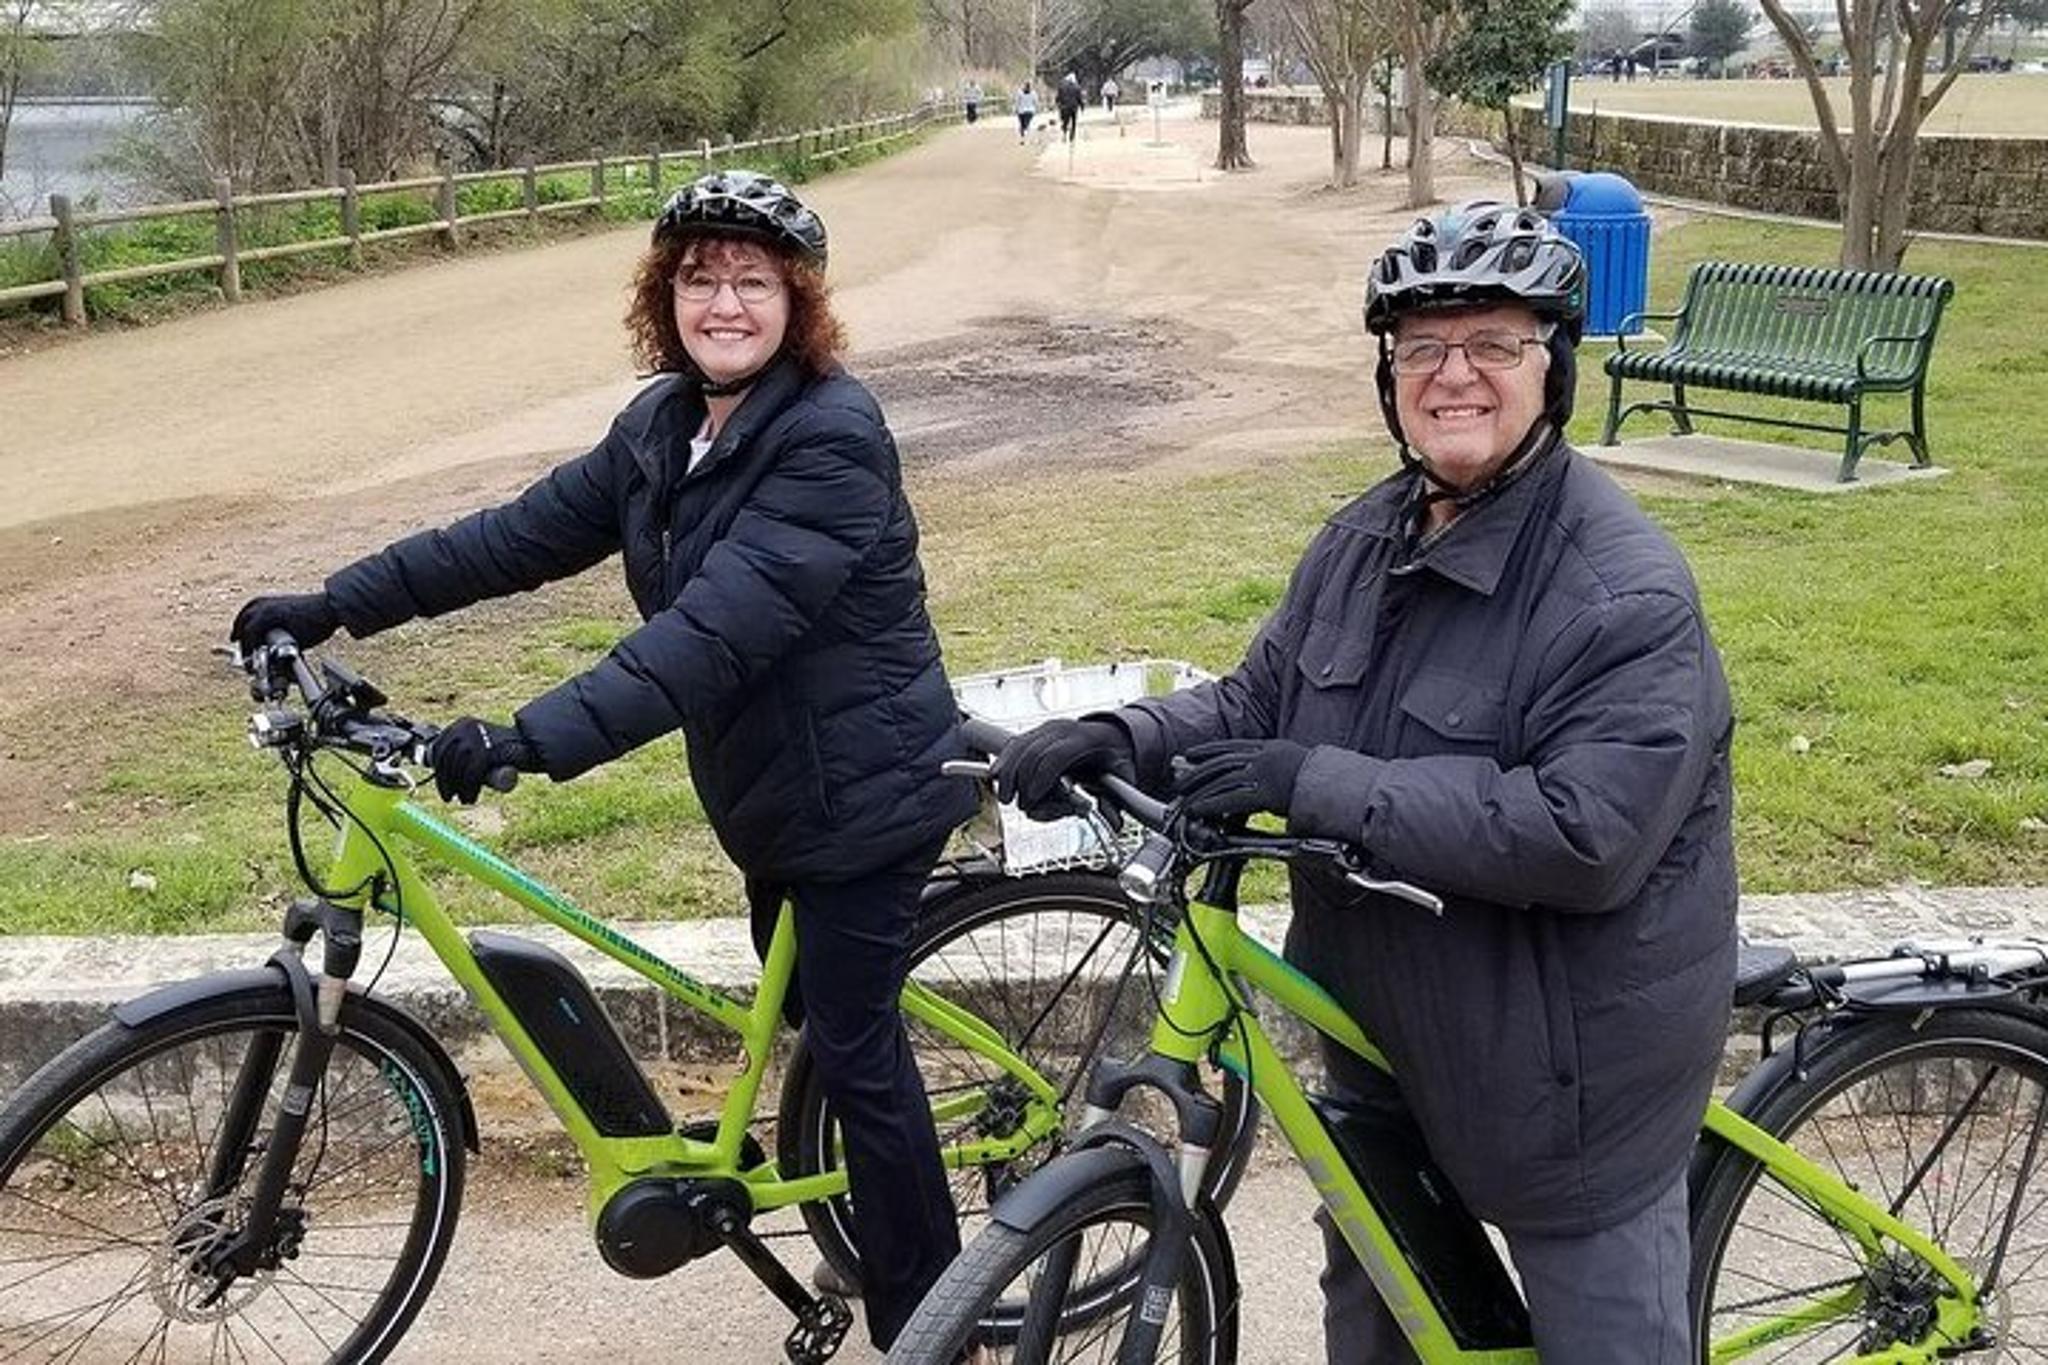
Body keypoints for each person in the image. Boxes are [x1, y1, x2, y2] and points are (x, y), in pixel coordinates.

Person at [226, 169, 979, 1354]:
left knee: (856, 1054)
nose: (721, 304)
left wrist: (529, 741)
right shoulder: (664, 425)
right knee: (818, 1035)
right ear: (663, 296)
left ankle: (937, 1326)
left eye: (749, 282)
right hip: (771, 786)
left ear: (797, 302)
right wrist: (332, 605)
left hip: (868, 791)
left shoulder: (834, 436)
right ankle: (837, 1200)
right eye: (697, 280)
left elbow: (712, 635)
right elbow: (513, 537)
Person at [991, 201, 1737, 1364]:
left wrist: (1317, 783)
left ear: (1554, 369)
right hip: (1382, 1026)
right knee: (1379, 1316)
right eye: (1421, 350)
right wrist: (1120, 734)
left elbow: (1584, 836)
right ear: (1388, 376)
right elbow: (1258, 704)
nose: (1454, 377)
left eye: (1493, 345)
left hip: (1565, 1068)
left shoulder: (1619, 593)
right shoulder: (1364, 539)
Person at [1056, 71, 1083, 142]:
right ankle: (1072, 135)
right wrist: (1082, 106)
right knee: (1074, 121)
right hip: (1074, 107)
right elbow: (1079, 98)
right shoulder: (1077, 87)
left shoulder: (1062, 87)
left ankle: (1064, 133)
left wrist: (1058, 104)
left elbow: (1058, 97)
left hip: (1064, 106)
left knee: (1065, 121)